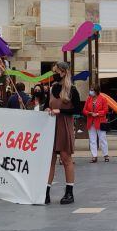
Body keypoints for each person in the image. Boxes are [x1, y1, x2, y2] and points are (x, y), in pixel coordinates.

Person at [46, 61, 80, 203]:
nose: (54, 73)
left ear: (64, 72)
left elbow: (77, 110)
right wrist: (47, 109)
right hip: (52, 126)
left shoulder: (72, 89)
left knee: (66, 159)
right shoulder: (52, 88)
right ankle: (46, 192)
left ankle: (69, 192)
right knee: (50, 161)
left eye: (56, 71)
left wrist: (61, 111)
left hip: (64, 126)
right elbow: (47, 104)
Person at [82, 86, 110, 163]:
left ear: (96, 91)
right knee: (92, 140)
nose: (90, 92)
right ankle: (94, 156)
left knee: (103, 139)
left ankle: (106, 155)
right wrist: (90, 113)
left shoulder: (103, 99)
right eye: (90, 90)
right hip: (91, 122)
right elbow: (84, 110)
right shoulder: (88, 99)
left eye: (92, 90)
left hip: (100, 121)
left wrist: (97, 114)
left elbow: (106, 110)